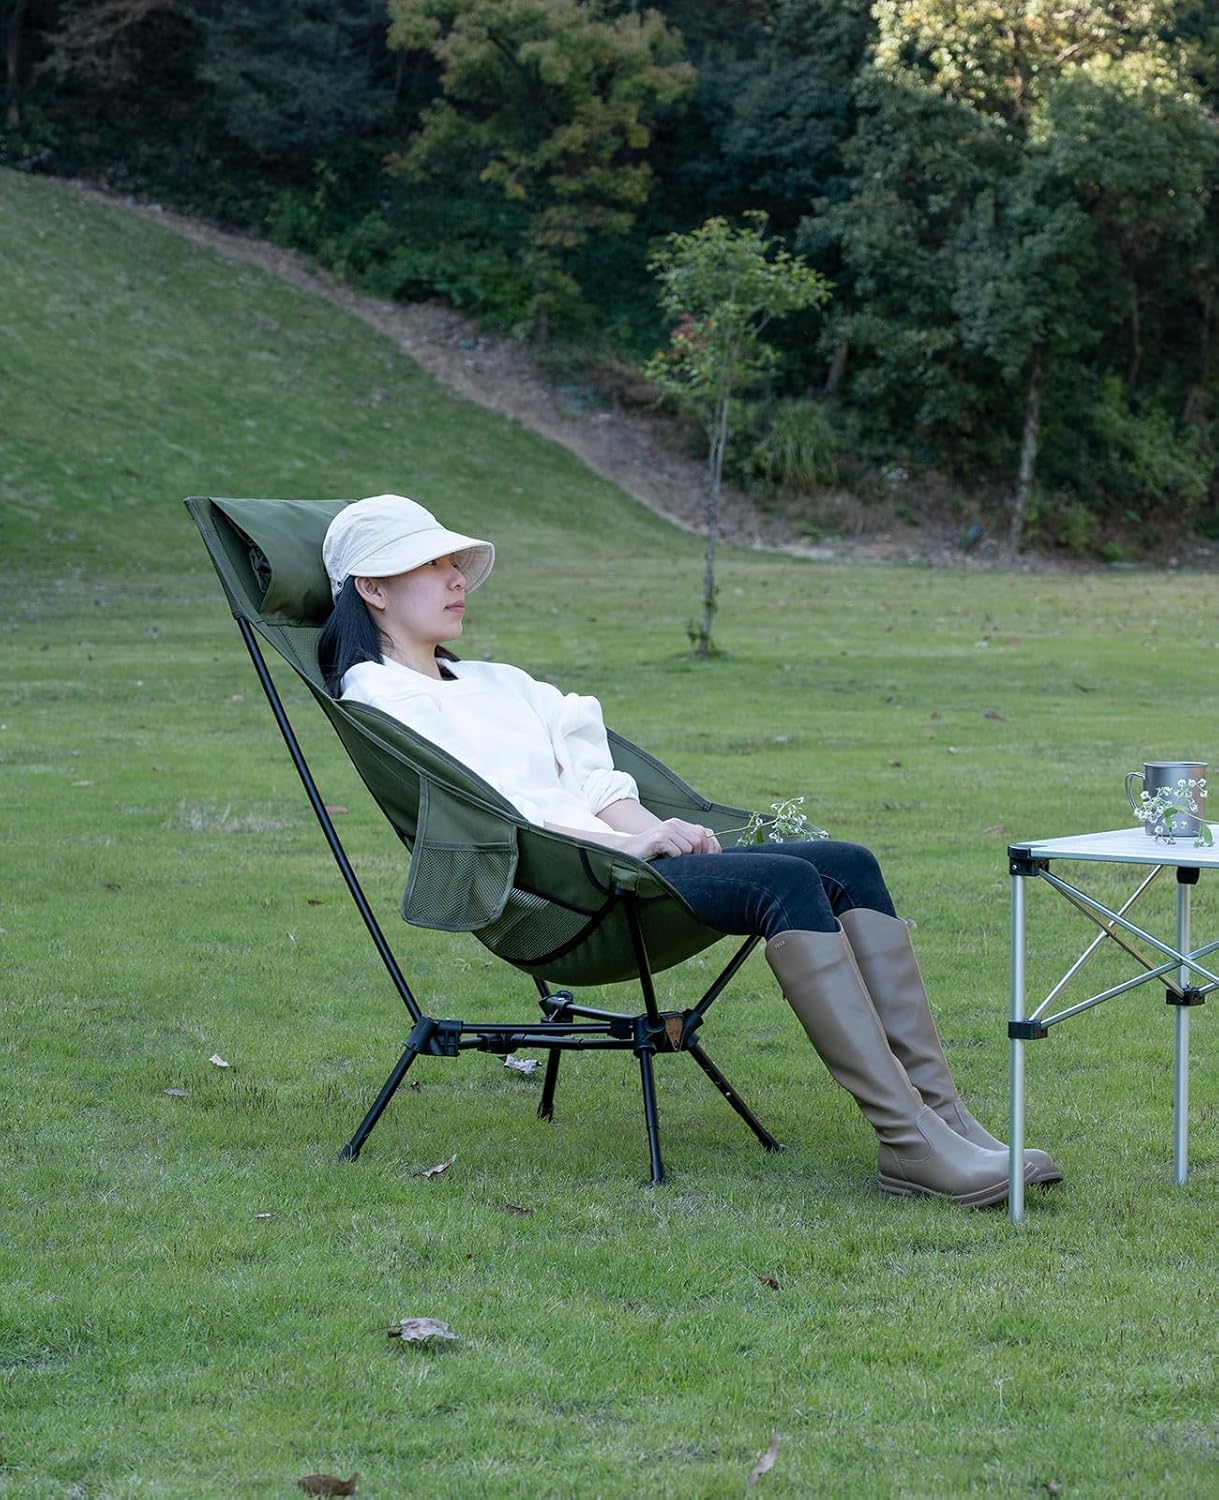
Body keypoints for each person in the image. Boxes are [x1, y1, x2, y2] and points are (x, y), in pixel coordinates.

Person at [319, 494, 1061, 1207]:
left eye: (456, 563)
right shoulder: (380, 700)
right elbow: (501, 816)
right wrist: (631, 846)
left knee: (849, 862)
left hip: (617, 865)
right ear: (374, 590)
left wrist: (651, 834)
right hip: (564, 899)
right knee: (787, 883)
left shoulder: (497, 681)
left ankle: (946, 1124)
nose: (455, 579)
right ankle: (910, 1146)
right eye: (431, 566)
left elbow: (591, 773)